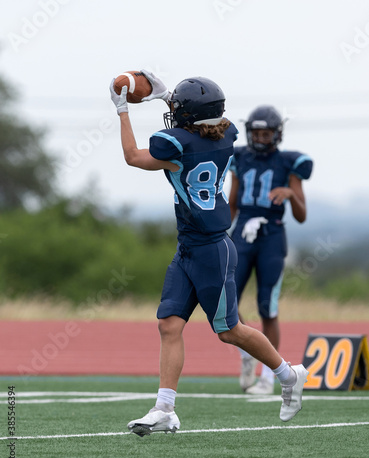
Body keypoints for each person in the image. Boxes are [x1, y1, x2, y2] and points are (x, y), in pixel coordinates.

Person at [109, 72, 309, 437]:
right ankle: (165, 408)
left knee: (230, 331)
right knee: (169, 324)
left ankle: (288, 374)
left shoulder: (178, 145)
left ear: (188, 118)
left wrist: (123, 109)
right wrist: (167, 95)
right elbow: (212, 121)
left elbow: (133, 156)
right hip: (189, 247)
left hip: (210, 250)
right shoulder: (225, 137)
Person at [228, 105, 313, 395]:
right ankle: (247, 353)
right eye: (257, 133)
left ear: (277, 134)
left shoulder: (289, 163)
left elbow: (301, 215)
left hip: (272, 235)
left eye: (267, 133)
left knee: (268, 306)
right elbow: (232, 203)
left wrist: (291, 193)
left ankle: (268, 374)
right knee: (226, 301)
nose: (262, 138)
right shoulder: (239, 157)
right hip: (241, 233)